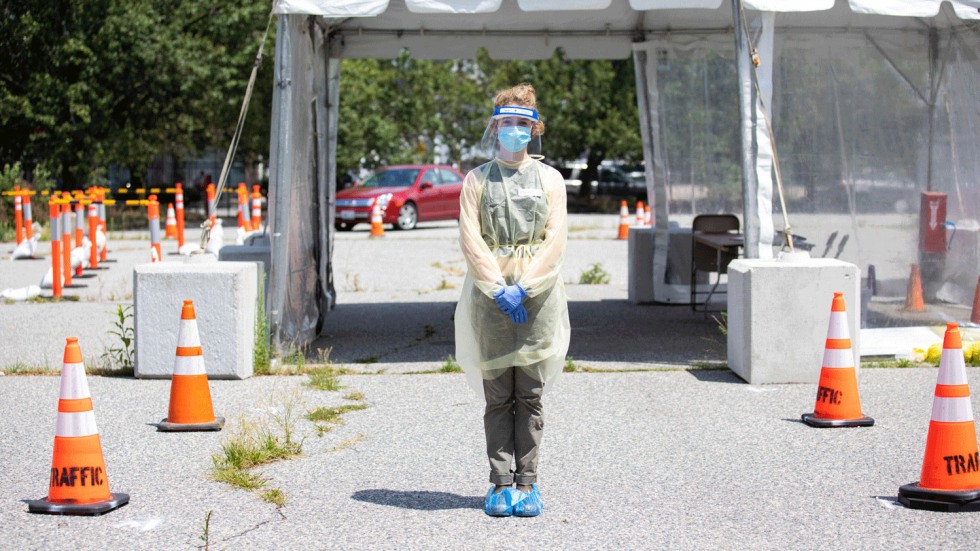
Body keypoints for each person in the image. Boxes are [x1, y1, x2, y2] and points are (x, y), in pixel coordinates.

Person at [454, 83, 570, 518]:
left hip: (537, 301)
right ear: (495, 127)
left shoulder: (550, 180)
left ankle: (528, 482)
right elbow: (471, 238)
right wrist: (497, 287)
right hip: (490, 302)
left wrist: (526, 287)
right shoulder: (477, 180)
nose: (515, 131)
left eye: (523, 124)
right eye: (508, 124)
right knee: (499, 396)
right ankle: (501, 483)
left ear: (534, 129)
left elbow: (554, 240)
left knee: (532, 397)